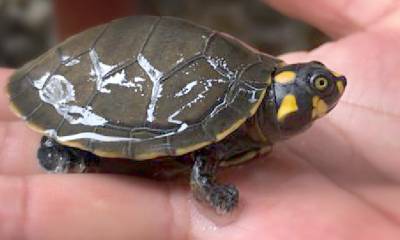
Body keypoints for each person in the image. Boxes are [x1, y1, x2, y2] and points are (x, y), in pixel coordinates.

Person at [1, 0, 399, 239]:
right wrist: (208, 186)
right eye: (320, 85)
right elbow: (203, 143)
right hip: (87, 72)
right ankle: (61, 135)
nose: (334, 89)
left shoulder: (255, 94)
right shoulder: (242, 112)